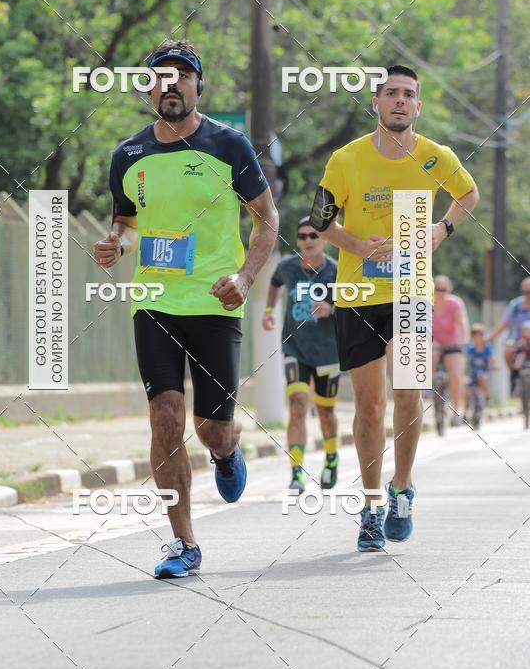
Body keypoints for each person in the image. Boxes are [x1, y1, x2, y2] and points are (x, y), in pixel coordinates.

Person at [94, 40, 278, 578]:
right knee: (165, 416)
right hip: (154, 302)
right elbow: (127, 226)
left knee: (209, 426)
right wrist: (116, 246)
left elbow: (266, 220)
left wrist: (245, 277)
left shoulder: (229, 145)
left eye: (180, 77)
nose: (169, 86)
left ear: (198, 85)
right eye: (158, 78)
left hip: (215, 303)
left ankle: (227, 449)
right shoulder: (128, 155)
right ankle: (184, 544)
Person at [308, 64, 479, 551]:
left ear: (418, 106)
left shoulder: (434, 155)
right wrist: (358, 246)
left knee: (408, 392)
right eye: (391, 94)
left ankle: (402, 489)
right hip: (358, 294)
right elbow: (320, 219)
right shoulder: (347, 159)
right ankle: (368, 507)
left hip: (410, 292)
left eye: (408, 94)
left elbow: (468, 194)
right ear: (376, 103)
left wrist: (437, 231)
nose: (400, 101)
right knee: (369, 404)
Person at [262, 217, 340, 494]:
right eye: (303, 236)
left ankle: (331, 458)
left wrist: (331, 309)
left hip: (329, 352)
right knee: (296, 404)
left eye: (313, 236)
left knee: (325, 410)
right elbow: (274, 282)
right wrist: (269, 311)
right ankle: (296, 472)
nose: (308, 240)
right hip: (295, 347)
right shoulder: (288, 267)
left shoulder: (337, 272)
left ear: (325, 240)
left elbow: (353, 305)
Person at [432, 275, 470, 425]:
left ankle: (456, 410)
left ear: (449, 290)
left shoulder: (455, 303)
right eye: (438, 288)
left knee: (455, 374)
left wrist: (464, 341)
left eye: (444, 289)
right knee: (431, 354)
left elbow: (463, 322)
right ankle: (429, 387)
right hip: (434, 341)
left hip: (453, 342)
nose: (440, 292)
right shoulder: (428, 301)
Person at [486, 277, 530, 394]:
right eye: (525, 292)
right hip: (519, 340)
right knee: (508, 349)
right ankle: (514, 375)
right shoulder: (516, 305)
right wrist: (490, 338)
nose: (528, 295)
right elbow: (504, 324)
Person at [463, 323, 495, 416]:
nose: (478, 339)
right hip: (473, 373)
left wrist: (495, 365)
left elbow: (493, 358)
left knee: (482, 378)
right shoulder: (470, 348)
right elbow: (464, 355)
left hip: (484, 371)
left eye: (480, 336)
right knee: (468, 392)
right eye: (475, 336)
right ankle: (465, 412)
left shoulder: (487, 348)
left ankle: (487, 397)